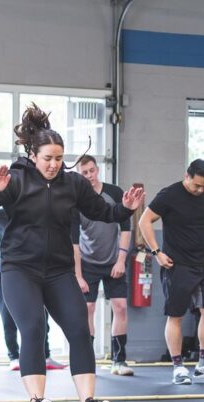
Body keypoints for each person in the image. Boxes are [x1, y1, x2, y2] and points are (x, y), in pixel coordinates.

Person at [0, 104, 144, 402]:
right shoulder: (16, 180)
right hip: (20, 269)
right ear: (33, 154)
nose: (53, 164)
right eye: (48, 158)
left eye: (59, 158)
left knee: (79, 329)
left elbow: (104, 213)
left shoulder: (73, 184)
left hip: (59, 270)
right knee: (33, 327)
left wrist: (125, 208)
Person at [137, 159, 204, 385]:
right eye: (197, 185)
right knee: (176, 315)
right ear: (187, 176)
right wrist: (157, 252)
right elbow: (144, 221)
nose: (201, 190)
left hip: (202, 263)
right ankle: (178, 367)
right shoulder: (169, 195)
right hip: (176, 265)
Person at [0, 208, 66, 371]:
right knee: (8, 313)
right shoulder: (3, 212)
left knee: (41, 313)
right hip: (7, 269)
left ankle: (45, 356)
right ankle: (14, 357)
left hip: (33, 268)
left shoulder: (34, 208)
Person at [72, 155, 134, 376]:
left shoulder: (114, 193)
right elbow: (74, 243)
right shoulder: (76, 201)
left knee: (120, 307)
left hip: (112, 262)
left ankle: (119, 360)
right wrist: (78, 276)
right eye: (84, 173)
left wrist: (120, 260)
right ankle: (88, 361)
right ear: (80, 175)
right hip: (87, 262)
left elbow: (126, 229)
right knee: (88, 308)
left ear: (97, 170)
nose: (89, 176)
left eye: (91, 171)